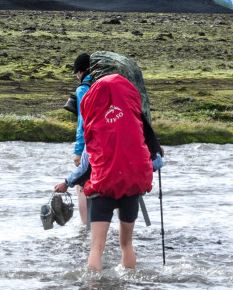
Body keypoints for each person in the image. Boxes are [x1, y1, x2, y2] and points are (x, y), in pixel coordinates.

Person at [54, 71, 162, 271]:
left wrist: (66, 182)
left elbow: (85, 166)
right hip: (131, 189)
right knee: (127, 244)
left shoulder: (96, 126)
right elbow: (156, 164)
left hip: (102, 189)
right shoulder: (134, 125)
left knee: (97, 247)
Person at [70, 53, 91, 224]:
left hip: (94, 144)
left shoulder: (83, 87)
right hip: (117, 141)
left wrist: (78, 150)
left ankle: (86, 226)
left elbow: (83, 120)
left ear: (80, 72)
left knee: (80, 181)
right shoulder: (109, 83)